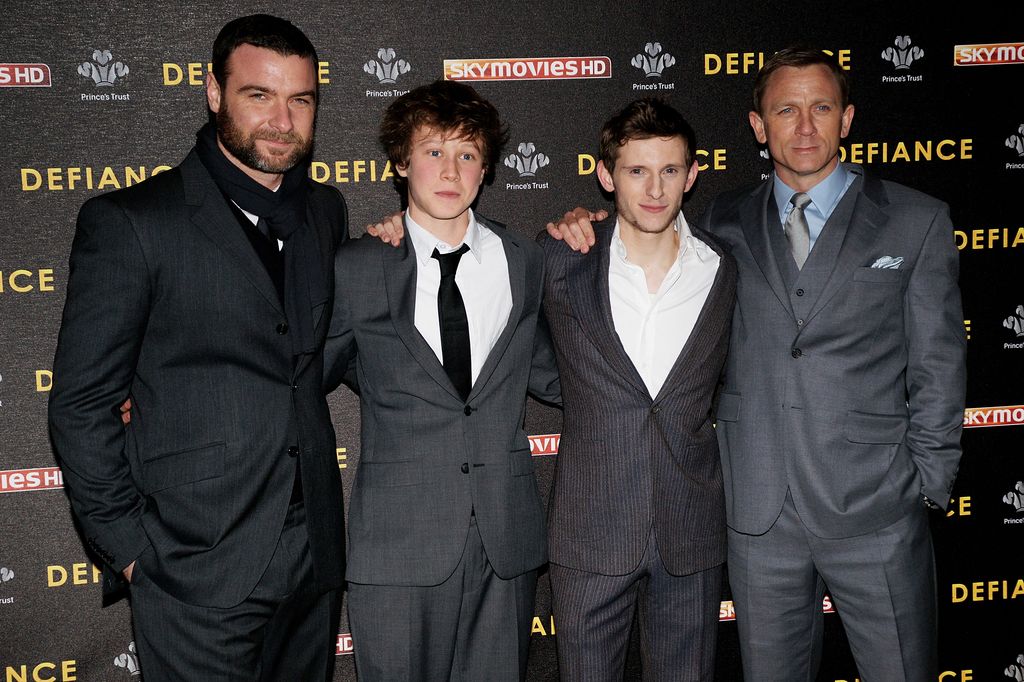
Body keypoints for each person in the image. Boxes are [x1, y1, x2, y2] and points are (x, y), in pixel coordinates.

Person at [549, 47, 965, 682]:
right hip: (757, 519)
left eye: (821, 107)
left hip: (878, 513)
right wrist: (586, 224)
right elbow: (639, 233)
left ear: (847, 118)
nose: (804, 126)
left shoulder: (917, 220)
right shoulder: (719, 222)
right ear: (757, 126)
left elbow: (939, 362)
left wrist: (925, 484)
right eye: (785, 109)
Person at [49, 15, 348, 680]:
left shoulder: (325, 213)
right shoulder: (133, 222)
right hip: (195, 566)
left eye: (300, 100)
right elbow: (79, 405)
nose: (282, 120)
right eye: (258, 95)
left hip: (313, 558)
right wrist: (132, 552)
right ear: (214, 91)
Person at [323, 79, 561, 681]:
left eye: (467, 153)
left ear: (486, 168)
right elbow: (304, 377)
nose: (450, 169)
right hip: (398, 546)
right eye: (433, 151)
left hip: (505, 543)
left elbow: (560, 371)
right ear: (401, 163)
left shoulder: (526, 261)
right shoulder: (357, 267)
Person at [538, 98, 736, 681]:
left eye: (670, 170)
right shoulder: (557, 258)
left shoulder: (723, 268)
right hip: (590, 530)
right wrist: (582, 393)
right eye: (636, 170)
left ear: (692, 175)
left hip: (691, 531)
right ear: (606, 175)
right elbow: (515, 351)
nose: (654, 189)